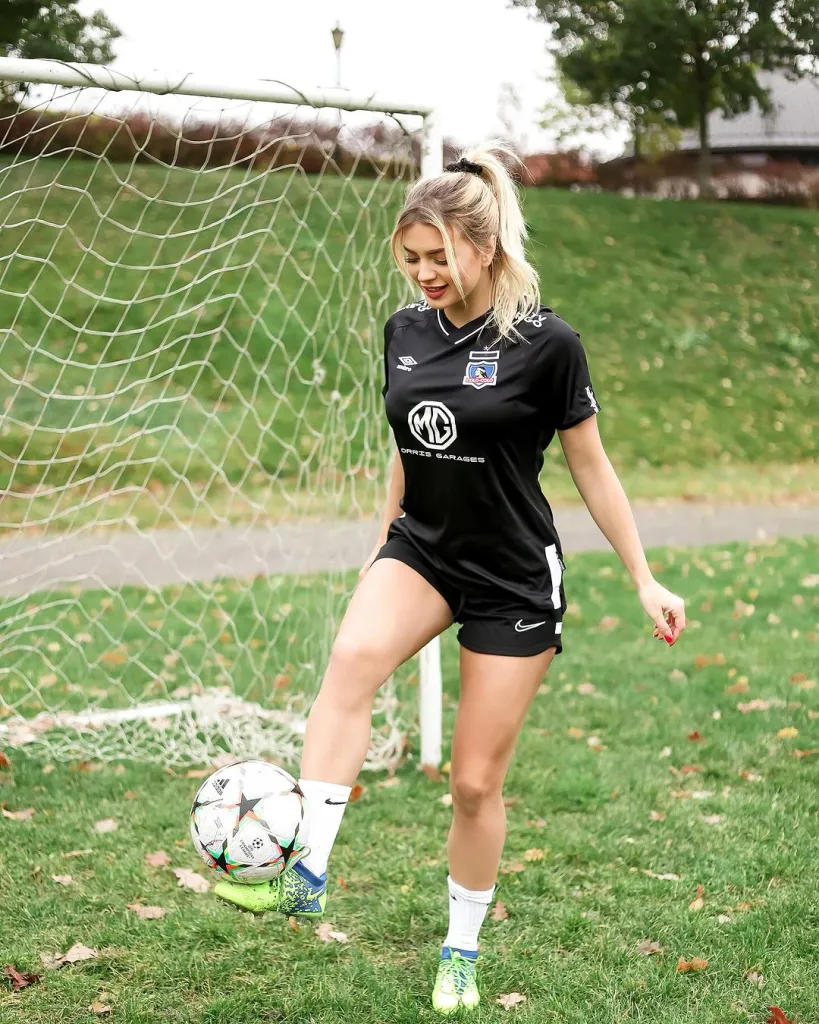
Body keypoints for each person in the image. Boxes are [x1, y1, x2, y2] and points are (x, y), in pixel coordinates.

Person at [214, 142, 686, 1014]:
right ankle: (306, 867)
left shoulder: (548, 346)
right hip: (423, 550)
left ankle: (460, 950)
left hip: (511, 578)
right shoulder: (402, 332)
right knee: (351, 659)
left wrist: (644, 577)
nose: (424, 274)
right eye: (411, 259)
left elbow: (593, 469)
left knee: (473, 784)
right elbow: (406, 446)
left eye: (438, 257)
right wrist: (382, 541)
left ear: (486, 247)